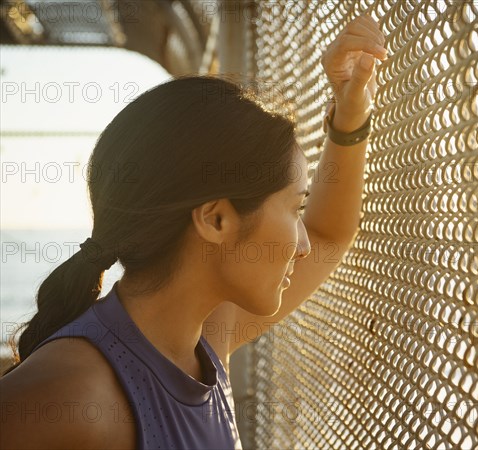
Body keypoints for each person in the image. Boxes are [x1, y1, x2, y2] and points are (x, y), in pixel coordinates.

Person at [0, 13, 387, 449]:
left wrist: (351, 114)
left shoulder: (202, 342)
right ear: (216, 219)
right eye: (293, 207)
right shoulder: (75, 395)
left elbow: (328, 236)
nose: (301, 245)